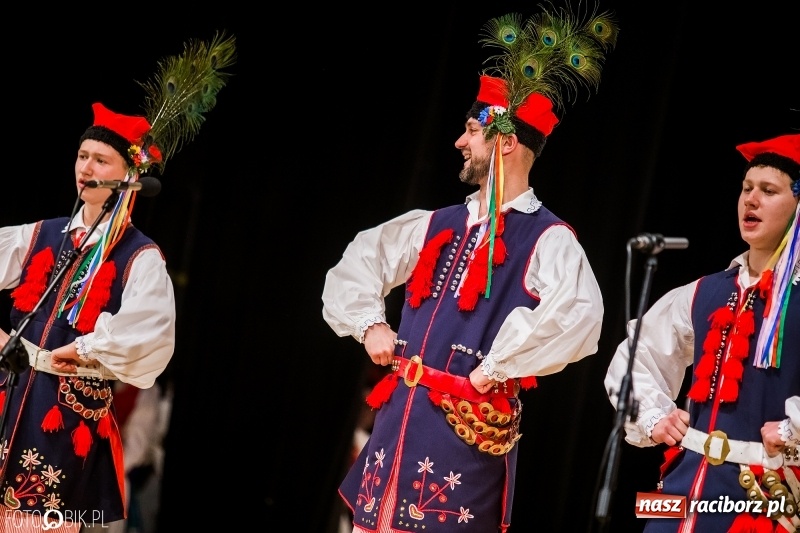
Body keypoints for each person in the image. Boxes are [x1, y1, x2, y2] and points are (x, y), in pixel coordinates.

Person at [322, 6, 617, 532]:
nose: (460, 141)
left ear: (504, 140)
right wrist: (370, 323)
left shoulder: (547, 238)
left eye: (470, 130)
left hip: (463, 438)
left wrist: (498, 365)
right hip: (397, 427)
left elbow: (580, 316)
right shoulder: (435, 223)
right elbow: (359, 261)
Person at [604, 133, 800, 533]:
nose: (751, 199)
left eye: (768, 190)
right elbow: (637, 355)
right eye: (747, 188)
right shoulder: (704, 292)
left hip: (766, 497)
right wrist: (654, 416)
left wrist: (792, 431)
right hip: (682, 486)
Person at [0, 102, 177, 532]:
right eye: (82, 156)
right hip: (9, 389)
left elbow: (151, 334)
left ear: (128, 177)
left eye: (101, 159)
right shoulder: (42, 233)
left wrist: (85, 348)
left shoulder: (139, 256)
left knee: (35, 520)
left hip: (64, 415)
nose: (86, 167)